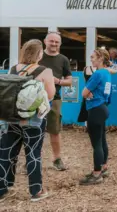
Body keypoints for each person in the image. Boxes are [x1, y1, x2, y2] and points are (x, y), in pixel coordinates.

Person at [0, 39, 55, 202]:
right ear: (38, 54)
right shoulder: (45, 71)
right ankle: (36, 191)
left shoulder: (14, 68)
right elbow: (50, 95)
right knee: (33, 154)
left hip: (11, 117)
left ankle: (2, 188)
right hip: (33, 120)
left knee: (6, 153)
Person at [39, 31, 72, 171]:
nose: (54, 44)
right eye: (51, 41)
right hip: (36, 98)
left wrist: (57, 80)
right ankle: (33, 159)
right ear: (45, 41)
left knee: (54, 130)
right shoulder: (38, 56)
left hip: (55, 99)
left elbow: (69, 81)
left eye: (56, 42)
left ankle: (57, 159)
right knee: (34, 130)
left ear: (60, 44)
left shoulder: (63, 59)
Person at [79, 48, 112, 185]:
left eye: (93, 57)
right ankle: (103, 167)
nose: (91, 59)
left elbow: (83, 92)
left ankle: (96, 174)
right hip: (103, 107)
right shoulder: (107, 73)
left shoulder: (97, 74)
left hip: (95, 109)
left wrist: (88, 92)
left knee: (96, 143)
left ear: (100, 58)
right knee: (102, 140)